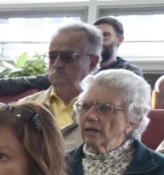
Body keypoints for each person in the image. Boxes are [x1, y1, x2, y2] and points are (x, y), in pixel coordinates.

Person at [0, 16, 143, 102]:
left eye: (105, 36)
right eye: (52, 57)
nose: (58, 64)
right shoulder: (60, 78)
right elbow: (31, 81)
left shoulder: (129, 75)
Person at [19, 22, 102, 152]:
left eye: (67, 57)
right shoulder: (26, 106)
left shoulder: (105, 112)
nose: (57, 64)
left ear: (92, 63)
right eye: (52, 57)